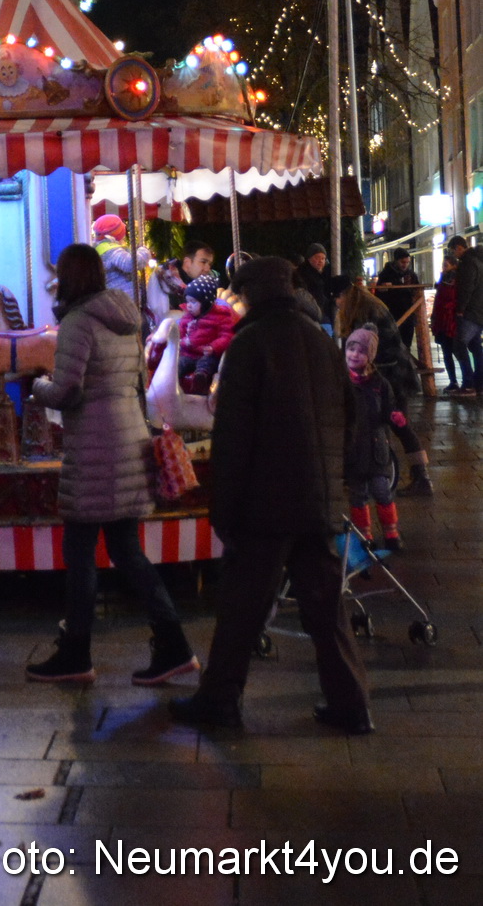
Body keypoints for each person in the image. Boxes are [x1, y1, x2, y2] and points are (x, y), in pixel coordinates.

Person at [171, 255, 371, 734]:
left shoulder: (249, 344)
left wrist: (224, 506)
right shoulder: (321, 342)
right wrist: (332, 474)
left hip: (267, 502)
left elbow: (234, 436)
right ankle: (352, 705)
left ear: (252, 294)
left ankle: (219, 702)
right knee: (327, 608)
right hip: (317, 498)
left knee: (242, 606)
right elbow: (349, 414)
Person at [25, 243, 198, 687]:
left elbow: (67, 391)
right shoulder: (126, 319)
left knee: (80, 551)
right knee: (126, 551)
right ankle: (173, 642)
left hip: (95, 448)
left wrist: (37, 385)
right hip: (129, 439)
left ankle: (77, 651)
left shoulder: (78, 322)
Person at [335, 279, 432, 495]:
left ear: (345, 295)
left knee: (398, 425)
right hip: (393, 373)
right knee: (398, 426)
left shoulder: (364, 314)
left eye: (338, 297)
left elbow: (360, 349)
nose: (337, 303)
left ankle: (416, 478)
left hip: (391, 377)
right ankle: (412, 476)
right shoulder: (369, 307)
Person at [343, 326, 402, 552]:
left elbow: (389, 408)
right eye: (351, 349)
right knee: (358, 495)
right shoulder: (342, 382)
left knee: (382, 490)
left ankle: (391, 533)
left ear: (370, 356)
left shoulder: (379, 384)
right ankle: (364, 536)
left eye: (361, 351)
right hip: (354, 450)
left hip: (377, 449)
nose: (354, 354)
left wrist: (394, 416)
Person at [176, 275, 237, 394]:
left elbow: (227, 336)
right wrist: (180, 340)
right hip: (188, 354)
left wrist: (213, 347)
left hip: (207, 354)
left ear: (205, 302)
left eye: (193, 302)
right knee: (179, 363)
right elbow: (180, 332)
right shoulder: (187, 317)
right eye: (187, 301)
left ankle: (200, 380)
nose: (188, 305)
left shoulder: (220, 316)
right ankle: (172, 383)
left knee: (206, 363)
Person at [146, 239, 217, 326]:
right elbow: (160, 313)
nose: (207, 268)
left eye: (209, 264)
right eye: (203, 262)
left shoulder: (205, 284)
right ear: (187, 262)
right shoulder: (164, 277)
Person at [432, 240, 472, 392]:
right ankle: (453, 381)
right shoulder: (444, 280)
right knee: (447, 353)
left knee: (458, 351)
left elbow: (454, 299)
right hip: (443, 322)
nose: (443, 269)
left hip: (452, 322)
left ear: (454, 265)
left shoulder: (456, 280)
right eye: (443, 266)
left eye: (446, 265)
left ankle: (466, 381)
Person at [450, 235, 483, 396]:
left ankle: (469, 384)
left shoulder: (468, 263)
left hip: (471, 311)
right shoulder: (478, 260)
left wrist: (461, 309)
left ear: (459, 247)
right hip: (479, 311)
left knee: (459, 344)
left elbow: (466, 288)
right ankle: (479, 384)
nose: (454, 255)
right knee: (476, 347)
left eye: (453, 251)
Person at [91, 214, 150, 303]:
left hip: (117, 299)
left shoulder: (101, 247)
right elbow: (130, 264)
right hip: (121, 302)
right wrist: (144, 251)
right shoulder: (109, 249)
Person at [375, 247, 424, 352]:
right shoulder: (386, 274)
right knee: (393, 343)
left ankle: (406, 364)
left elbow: (417, 289)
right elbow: (379, 293)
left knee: (406, 343)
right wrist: (384, 288)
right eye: (402, 262)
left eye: (407, 262)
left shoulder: (411, 275)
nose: (405, 265)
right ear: (396, 260)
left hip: (408, 313)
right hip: (392, 314)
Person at [295, 243, 340, 332]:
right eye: (317, 258)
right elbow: (317, 296)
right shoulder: (305, 275)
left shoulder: (321, 275)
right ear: (309, 258)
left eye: (323, 258)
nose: (320, 261)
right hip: (313, 316)